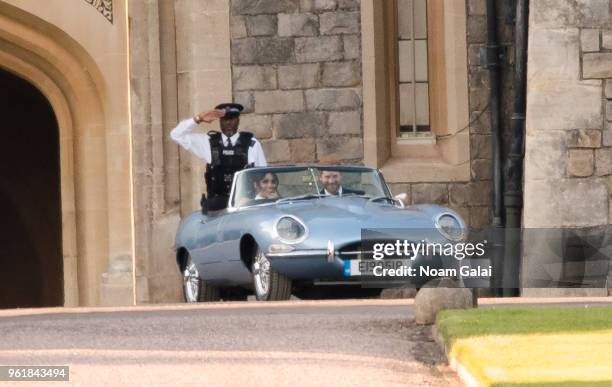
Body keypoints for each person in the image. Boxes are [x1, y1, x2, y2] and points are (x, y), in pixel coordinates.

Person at [170, 103, 267, 211]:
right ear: (220, 121)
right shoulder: (208, 142)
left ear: (238, 120)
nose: (229, 123)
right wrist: (198, 119)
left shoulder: (252, 144)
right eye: (225, 120)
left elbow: (263, 175)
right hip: (216, 207)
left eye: (232, 119)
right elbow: (176, 135)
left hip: (244, 205)